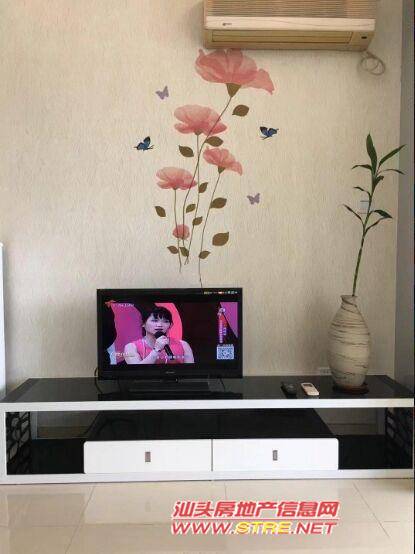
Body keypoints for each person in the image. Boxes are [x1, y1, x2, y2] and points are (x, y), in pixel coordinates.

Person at [124, 306, 194, 364]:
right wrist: (156, 350)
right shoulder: (131, 347)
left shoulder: (183, 345)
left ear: (170, 325)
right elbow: (137, 372)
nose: (160, 325)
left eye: (165, 321)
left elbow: (189, 371)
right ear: (143, 323)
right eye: (155, 321)